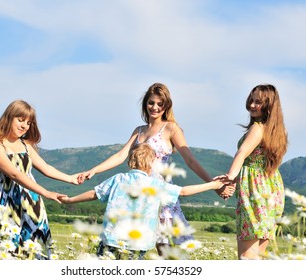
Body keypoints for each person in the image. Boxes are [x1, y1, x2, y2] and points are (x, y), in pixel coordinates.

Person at [81, 82, 235, 254]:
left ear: (166, 105)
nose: (154, 107)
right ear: (145, 104)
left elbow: (190, 160)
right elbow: (120, 155)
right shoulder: (138, 130)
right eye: (151, 103)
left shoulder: (171, 128)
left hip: (160, 194)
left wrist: (214, 185)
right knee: (129, 245)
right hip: (139, 196)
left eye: (160, 104)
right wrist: (94, 170)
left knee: (165, 250)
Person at [61, 143, 225, 259]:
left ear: (130, 161)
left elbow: (94, 193)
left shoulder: (118, 179)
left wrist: (70, 200)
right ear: (152, 164)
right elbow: (183, 191)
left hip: (111, 238)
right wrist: (212, 185)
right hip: (138, 243)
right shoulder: (155, 184)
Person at [0, 100, 82, 259]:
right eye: (20, 120)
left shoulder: (26, 145)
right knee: (4, 249)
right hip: (7, 204)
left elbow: (46, 168)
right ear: (9, 118)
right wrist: (46, 192)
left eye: (29, 123)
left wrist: (70, 179)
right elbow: (15, 174)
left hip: (32, 203)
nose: (24, 126)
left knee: (35, 249)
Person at [215, 84, 288, 260]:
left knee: (247, 258)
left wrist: (231, 176)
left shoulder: (258, 127)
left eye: (259, 102)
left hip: (255, 192)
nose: (252, 106)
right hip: (272, 191)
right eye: (252, 101)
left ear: (269, 106)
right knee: (258, 257)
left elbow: (242, 153)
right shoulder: (278, 132)